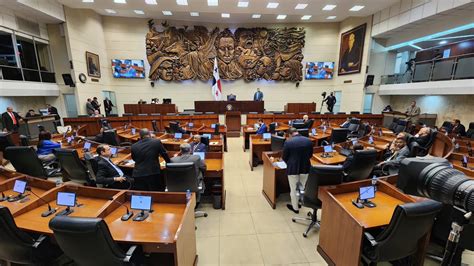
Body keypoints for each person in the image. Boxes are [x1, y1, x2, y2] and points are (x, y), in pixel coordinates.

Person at [282, 128, 313, 213]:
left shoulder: (288, 142)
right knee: (302, 187)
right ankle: (300, 202)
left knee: (294, 189)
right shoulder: (308, 141)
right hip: (306, 167)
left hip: (293, 168)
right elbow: (310, 155)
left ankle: (295, 208)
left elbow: (284, 157)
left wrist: (290, 163)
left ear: (290, 134)